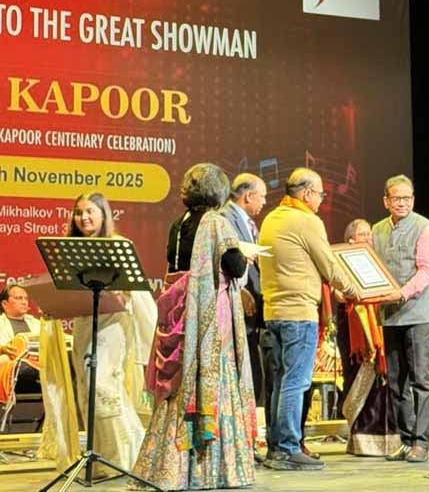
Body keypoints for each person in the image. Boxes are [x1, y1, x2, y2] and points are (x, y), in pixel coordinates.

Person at [132, 163, 256, 490]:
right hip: (207, 316)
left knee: (180, 386)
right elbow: (233, 265)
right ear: (219, 191)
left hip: (179, 309)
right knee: (211, 380)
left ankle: (166, 466)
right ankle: (209, 469)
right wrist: (246, 256)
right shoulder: (216, 223)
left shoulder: (179, 223)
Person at [259, 167, 359, 471]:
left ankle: (277, 449)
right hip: (298, 313)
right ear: (306, 193)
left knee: (281, 382)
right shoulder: (306, 221)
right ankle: (289, 447)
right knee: (296, 382)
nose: (321, 200)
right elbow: (329, 265)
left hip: (273, 312)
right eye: (319, 194)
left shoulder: (272, 218)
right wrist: (353, 289)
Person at [64, 192, 158, 472]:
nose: (83, 217)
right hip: (84, 323)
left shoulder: (118, 245)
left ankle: (130, 456)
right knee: (87, 389)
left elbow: (134, 289)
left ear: (104, 214)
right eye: (79, 212)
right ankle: (102, 461)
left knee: (103, 385)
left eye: (89, 211)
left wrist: (120, 290)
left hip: (112, 324)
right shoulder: (70, 248)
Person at [371, 175, 429, 463]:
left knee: (420, 379)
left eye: (407, 198)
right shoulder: (377, 229)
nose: (402, 203)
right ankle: (406, 438)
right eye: (397, 198)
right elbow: (372, 266)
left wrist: (401, 293)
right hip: (390, 315)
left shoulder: (425, 228)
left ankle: (421, 442)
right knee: (396, 381)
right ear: (386, 201)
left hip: (417, 313)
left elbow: (427, 270)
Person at [336, 219, 401, 456]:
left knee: (383, 382)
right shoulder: (340, 261)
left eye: (370, 234)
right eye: (363, 234)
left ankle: (388, 441)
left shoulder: (378, 262)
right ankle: (360, 442)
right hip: (355, 330)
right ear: (351, 239)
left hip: (380, 325)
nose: (368, 238)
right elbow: (336, 289)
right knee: (357, 376)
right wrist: (339, 291)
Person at [220, 173, 267, 465]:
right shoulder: (225, 218)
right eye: (262, 196)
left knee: (252, 376)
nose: (264, 202)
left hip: (252, 311)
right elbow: (227, 262)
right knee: (239, 375)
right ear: (248, 195)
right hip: (235, 305)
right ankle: (239, 444)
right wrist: (242, 291)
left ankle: (247, 441)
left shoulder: (246, 221)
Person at [0, 284, 41, 401]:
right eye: (18, 298)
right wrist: (2, 349)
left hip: (37, 363)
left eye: (26, 298)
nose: (24, 302)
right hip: (11, 366)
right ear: (5, 304)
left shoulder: (37, 323)